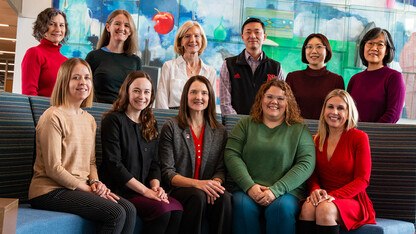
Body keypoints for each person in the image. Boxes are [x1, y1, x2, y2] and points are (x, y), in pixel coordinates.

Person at [28, 58, 136, 233]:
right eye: (76, 77)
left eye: (87, 78)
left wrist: (95, 182)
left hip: (78, 188)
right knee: (116, 213)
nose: (83, 83)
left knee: (129, 210)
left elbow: (91, 162)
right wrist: (88, 189)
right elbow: (53, 168)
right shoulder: (52, 117)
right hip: (49, 190)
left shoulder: (89, 119)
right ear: (64, 82)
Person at [224, 80, 315, 233]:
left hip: (286, 193)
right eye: (269, 96)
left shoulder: (299, 129)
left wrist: (275, 191)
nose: (274, 102)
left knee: (281, 209)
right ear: (261, 99)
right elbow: (232, 154)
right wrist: (250, 186)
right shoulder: (245, 124)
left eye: (281, 98)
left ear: (288, 102)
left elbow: (306, 163)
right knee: (241, 205)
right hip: (247, 189)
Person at [99, 71, 183, 234]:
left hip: (144, 189)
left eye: (146, 92)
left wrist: (156, 188)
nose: (141, 96)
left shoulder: (150, 123)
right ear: (127, 91)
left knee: (177, 209)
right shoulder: (113, 120)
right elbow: (114, 164)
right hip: (120, 189)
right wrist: (146, 192)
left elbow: (155, 163)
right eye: (136, 90)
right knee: (162, 210)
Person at [159, 76, 232, 234]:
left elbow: (221, 170)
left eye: (204, 93)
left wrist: (214, 184)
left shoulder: (220, 131)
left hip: (207, 188)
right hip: (179, 189)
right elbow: (168, 173)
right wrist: (199, 184)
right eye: (194, 92)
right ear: (186, 96)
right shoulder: (171, 126)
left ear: (210, 98)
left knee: (224, 197)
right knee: (197, 196)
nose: (199, 97)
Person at [297, 89, 376, 234]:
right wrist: (315, 190)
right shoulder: (315, 140)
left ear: (348, 113)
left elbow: (362, 179)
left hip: (352, 199)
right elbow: (312, 174)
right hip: (324, 196)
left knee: (325, 209)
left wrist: (334, 196)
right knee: (307, 207)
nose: (334, 112)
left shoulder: (359, 137)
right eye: (330, 107)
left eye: (340, 108)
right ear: (324, 110)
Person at [219, 17, 284, 115]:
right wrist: (239, 125)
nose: (252, 36)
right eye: (248, 32)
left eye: (257, 32)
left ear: (264, 36)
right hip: (237, 126)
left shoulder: (276, 67)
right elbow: (225, 103)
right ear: (242, 37)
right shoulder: (229, 65)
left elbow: (280, 101)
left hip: (266, 127)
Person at [347, 27, 405, 123]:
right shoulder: (355, 79)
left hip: (378, 135)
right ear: (363, 47)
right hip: (354, 135)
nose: (374, 48)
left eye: (380, 44)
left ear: (386, 51)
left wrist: (371, 133)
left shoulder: (394, 77)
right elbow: (347, 110)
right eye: (370, 43)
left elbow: (393, 114)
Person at [155, 21, 216, 109]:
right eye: (187, 36)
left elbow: (211, 105)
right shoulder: (169, 67)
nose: (192, 40)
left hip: (199, 119)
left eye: (196, 36)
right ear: (181, 42)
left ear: (202, 40)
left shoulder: (210, 72)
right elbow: (161, 100)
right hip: (173, 119)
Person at [86, 9, 141, 104]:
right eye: (117, 23)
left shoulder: (135, 61)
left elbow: (137, 92)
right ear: (108, 27)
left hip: (123, 113)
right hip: (97, 111)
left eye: (126, 25)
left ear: (130, 31)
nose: (122, 28)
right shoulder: (93, 56)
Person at [286, 33, 344, 120]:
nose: (314, 51)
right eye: (309, 47)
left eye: (319, 47)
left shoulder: (336, 80)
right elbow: (286, 108)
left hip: (326, 131)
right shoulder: (292, 77)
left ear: (327, 50)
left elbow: (340, 112)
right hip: (296, 130)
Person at [21, 8, 68, 97]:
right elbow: (29, 93)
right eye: (52, 24)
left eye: (61, 25)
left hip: (62, 110)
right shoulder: (34, 53)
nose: (58, 29)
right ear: (42, 27)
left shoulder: (66, 61)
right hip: (41, 110)